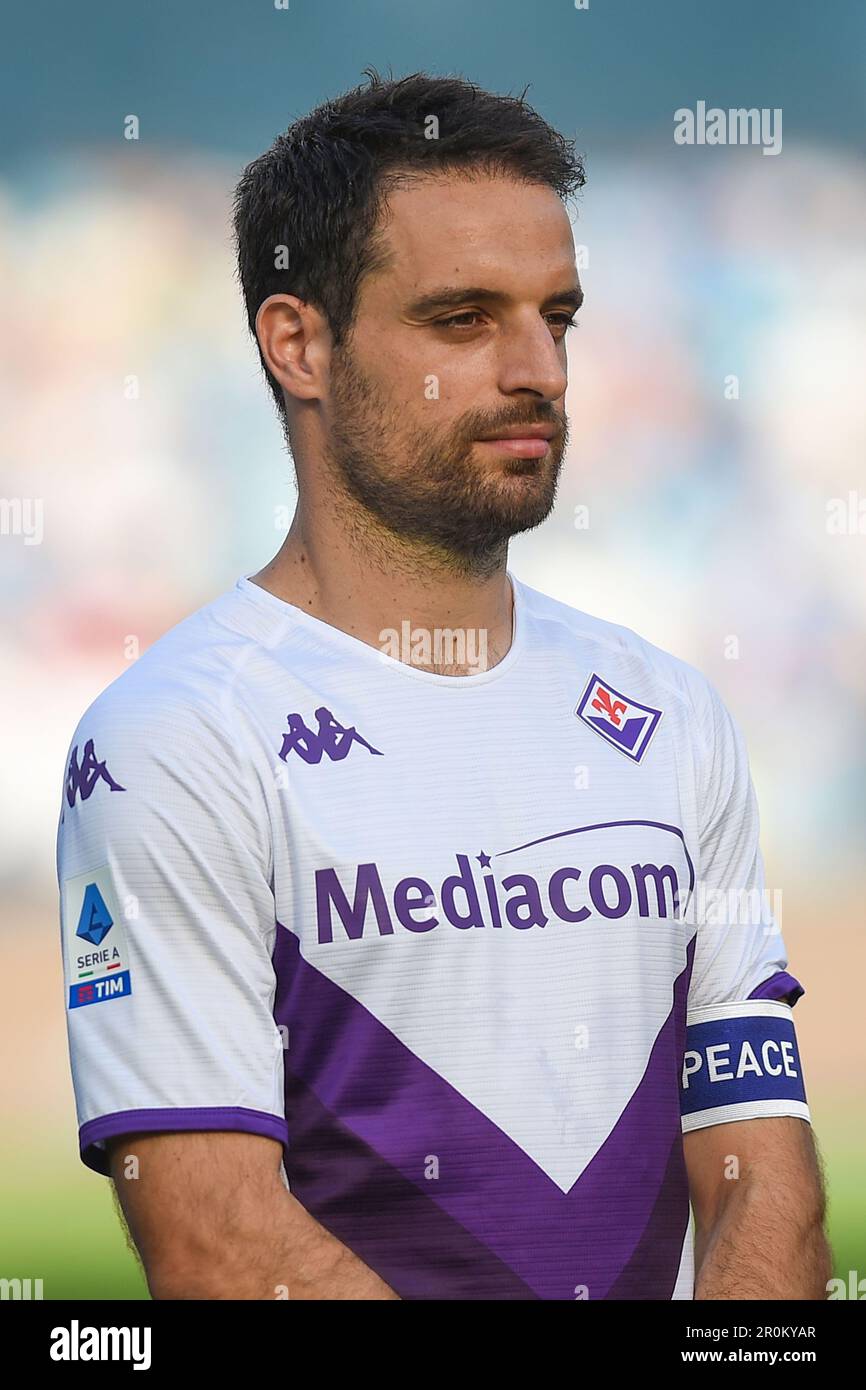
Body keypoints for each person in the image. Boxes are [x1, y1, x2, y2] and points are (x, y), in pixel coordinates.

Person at [56, 70, 829, 1300]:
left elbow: (757, 1170)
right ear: (297, 342)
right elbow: (215, 1247)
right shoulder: (176, 737)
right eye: (463, 319)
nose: (539, 371)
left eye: (556, 316)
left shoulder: (669, 714)